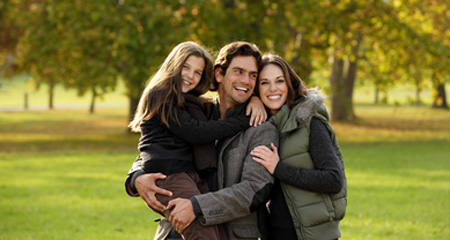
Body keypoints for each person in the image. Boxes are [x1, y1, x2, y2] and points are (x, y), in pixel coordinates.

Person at [127, 41, 278, 240]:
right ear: (219, 74)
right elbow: (154, 146)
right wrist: (135, 178)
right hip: (174, 232)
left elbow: (254, 190)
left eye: (253, 75)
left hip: (228, 233)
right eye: (239, 72)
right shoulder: (197, 112)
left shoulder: (260, 128)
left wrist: (197, 206)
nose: (247, 81)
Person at [250, 54, 347, 240]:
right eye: (264, 83)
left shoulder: (310, 123)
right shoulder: (259, 125)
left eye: (279, 81)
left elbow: (333, 180)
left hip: (312, 235)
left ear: (289, 84)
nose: (272, 89)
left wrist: (278, 168)